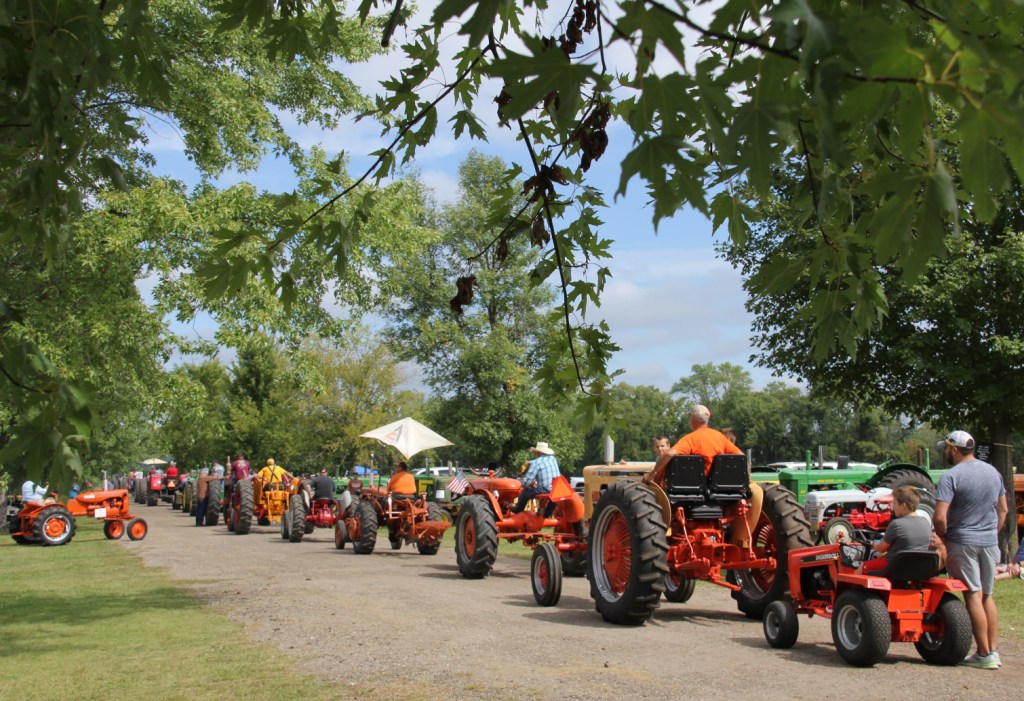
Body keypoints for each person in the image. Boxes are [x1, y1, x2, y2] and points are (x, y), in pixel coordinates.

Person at [932, 430, 1008, 670]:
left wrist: (943, 536)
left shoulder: (951, 476)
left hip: (962, 541)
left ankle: (984, 654)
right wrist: (991, 533)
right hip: (990, 542)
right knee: (987, 594)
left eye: (946, 448)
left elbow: (940, 516)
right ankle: (992, 650)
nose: (946, 452)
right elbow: (1003, 510)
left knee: (973, 594)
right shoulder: (993, 472)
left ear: (954, 449)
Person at [642, 405, 762, 548]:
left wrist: (652, 474)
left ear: (692, 420)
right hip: (720, 493)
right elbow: (741, 458)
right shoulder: (719, 438)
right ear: (707, 418)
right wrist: (747, 480)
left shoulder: (690, 439)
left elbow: (669, 454)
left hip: (689, 494)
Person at [861, 486, 933, 575]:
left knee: (863, 566)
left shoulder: (897, 524)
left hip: (895, 565)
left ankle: (852, 584)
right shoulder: (926, 522)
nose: (892, 508)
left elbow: (880, 549)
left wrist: (873, 544)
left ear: (903, 506)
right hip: (918, 566)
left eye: (894, 503)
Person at [511, 441, 561, 515]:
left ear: (538, 452)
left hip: (545, 490)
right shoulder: (553, 459)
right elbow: (542, 462)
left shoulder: (536, 463)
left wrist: (523, 484)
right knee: (554, 498)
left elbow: (526, 482)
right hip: (557, 489)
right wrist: (528, 462)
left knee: (524, 494)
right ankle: (546, 515)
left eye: (535, 452)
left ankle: (517, 511)